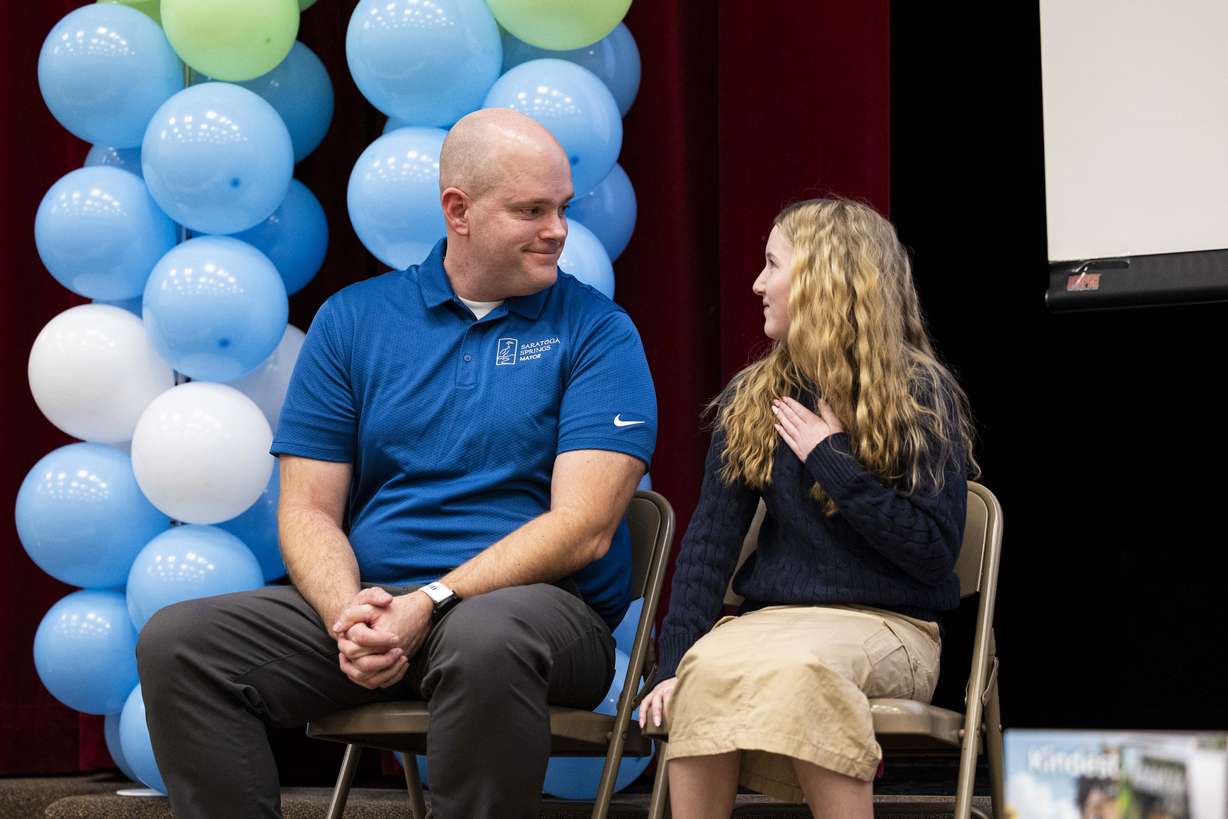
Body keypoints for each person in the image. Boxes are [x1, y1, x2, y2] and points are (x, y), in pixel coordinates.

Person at [136, 108, 657, 819]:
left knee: (485, 637)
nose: (559, 230)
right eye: (532, 210)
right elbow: (307, 507)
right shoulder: (355, 320)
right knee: (182, 641)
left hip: (539, 618)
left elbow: (586, 528)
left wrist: (432, 600)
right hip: (381, 608)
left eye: (562, 208)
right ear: (458, 210)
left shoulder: (598, 331)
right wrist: (347, 613)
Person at [638, 198, 978, 819]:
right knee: (701, 669)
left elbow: (932, 555)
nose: (756, 284)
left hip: (891, 627)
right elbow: (709, 547)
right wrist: (669, 665)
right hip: (775, 625)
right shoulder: (755, 397)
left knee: (805, 667)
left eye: (772, 265)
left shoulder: (918, 394)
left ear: (824, 280)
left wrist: (831, 459)